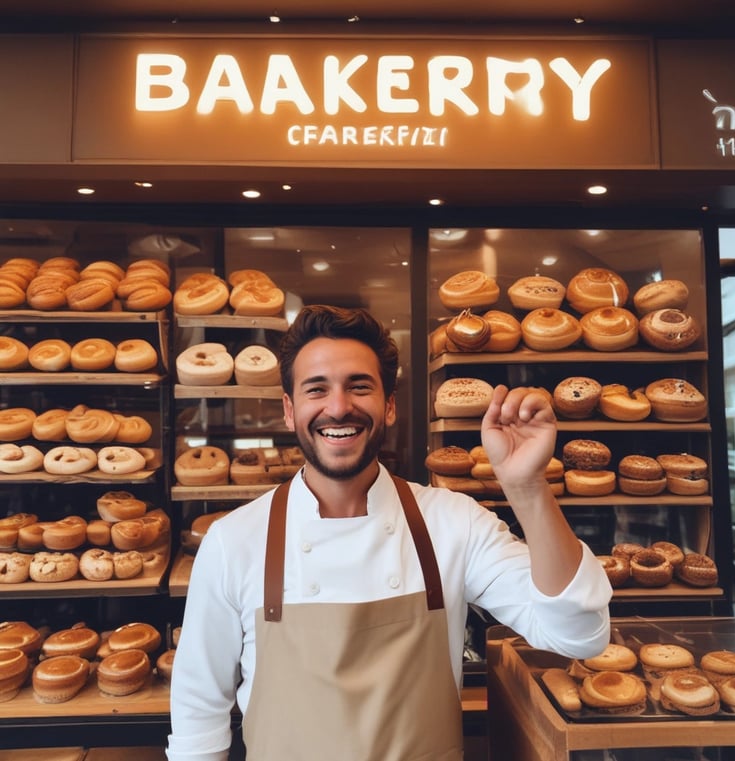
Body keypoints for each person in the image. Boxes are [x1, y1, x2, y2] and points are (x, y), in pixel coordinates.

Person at [166, 304, 611, 761]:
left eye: (359, 386)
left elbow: (578, 635)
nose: (338, 407)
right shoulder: (234, 541)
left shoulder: (453, 522)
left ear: (390, 405)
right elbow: (199, 713)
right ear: (288, 409)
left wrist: (527, 487)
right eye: (316, 389)